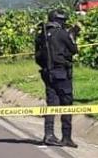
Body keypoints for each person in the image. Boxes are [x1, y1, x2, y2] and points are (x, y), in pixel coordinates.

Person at [34, 9, 79, 147]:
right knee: (66, 104)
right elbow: (74, 50)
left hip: (47, 73)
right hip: (61, 73)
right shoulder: (62, 34)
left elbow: (37, 56)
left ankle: (49, 134)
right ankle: (66, 137)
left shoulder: (41, 35)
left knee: (52, 104)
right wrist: (72, 35)